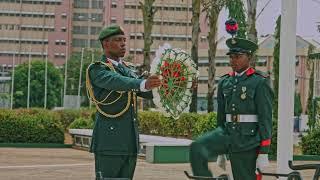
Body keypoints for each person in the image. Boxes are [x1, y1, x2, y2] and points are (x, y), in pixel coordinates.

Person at [189, 37, 273, 180]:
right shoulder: (225, 81)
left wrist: (264, 150)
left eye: (238, 57)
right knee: (197, 148)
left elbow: (265, 117)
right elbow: (221, 115)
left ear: (249, 57)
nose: (233, 61)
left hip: (248, 140)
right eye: (232, 57)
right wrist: (220, 147)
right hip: (227, 135)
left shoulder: (259, 82)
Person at [86, 24, 161, 180]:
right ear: (105, 44)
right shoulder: (98, 69)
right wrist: (143, 83)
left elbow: (144, 90)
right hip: (110, 143)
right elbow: (117, 81)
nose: (123, 44)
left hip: (129, 142)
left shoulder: (127, 69)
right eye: (118, 40)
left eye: (124, 40)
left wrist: (174, 87)